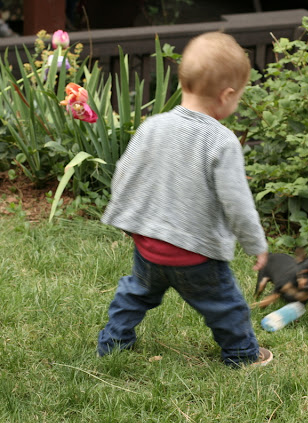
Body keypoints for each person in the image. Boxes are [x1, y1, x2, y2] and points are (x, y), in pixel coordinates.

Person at [96, 31, 272, 367]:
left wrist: (127, 220)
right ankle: (242, 355)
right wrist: (256, 245)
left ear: (182, 81)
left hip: (149, 248)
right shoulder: (221, 141)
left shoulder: (152, 126)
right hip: (196, 255)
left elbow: (124, 172)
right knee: (225, 305)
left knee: (135, 294)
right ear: (227, 95)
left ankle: (113, 343)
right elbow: (237, 203)